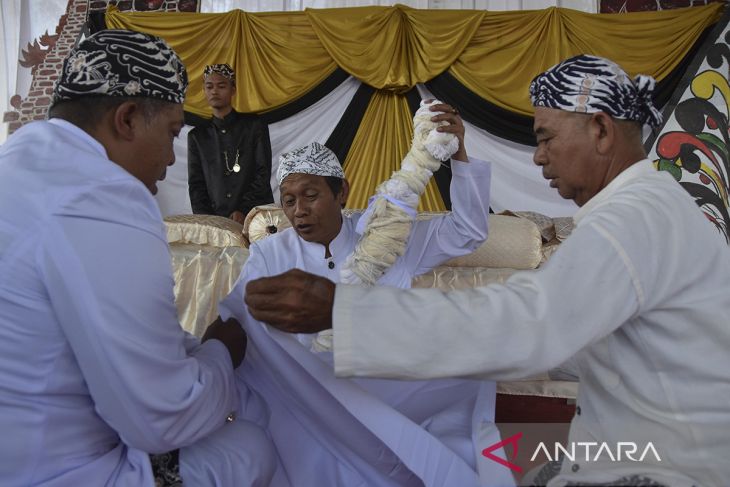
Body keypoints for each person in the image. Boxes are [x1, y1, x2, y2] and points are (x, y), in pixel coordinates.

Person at [244, 54, 730, 486]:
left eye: (544, 138)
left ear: (600, 129)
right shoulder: (643, 208)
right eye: (290, 199)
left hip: (668, 459)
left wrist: (343, 314)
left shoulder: (631, 220)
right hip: (632, 437)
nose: (538, 157)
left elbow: (527, 324)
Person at [0, 30, 275, 486]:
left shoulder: (17, 161)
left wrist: (194, 352)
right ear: (127, 119)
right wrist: (222, 352)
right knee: (249, 446)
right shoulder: (104, 198)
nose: (170, 157)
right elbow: (164, 419)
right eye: (170, 133)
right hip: (51, 472)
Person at [220, 114, 516, 486]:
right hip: (308, 392)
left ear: (341, 191)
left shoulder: (385, 232)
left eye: (311, 196)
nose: (299, 210)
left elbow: (468, 232)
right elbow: (237, 316)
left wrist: (459, 155)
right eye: (289, 200)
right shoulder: (271, 254)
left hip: (384, 380)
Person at [188, 63, 274, 224]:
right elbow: (196, 185)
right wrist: (208, 220)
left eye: (221, 86)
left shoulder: (254, 126)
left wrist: (243, 209)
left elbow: (262, 173)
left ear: (233, 90)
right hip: (215, 221)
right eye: (209, 86)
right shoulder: (197, 136)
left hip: (255, 216)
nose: (214, 91)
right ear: (204, 91)